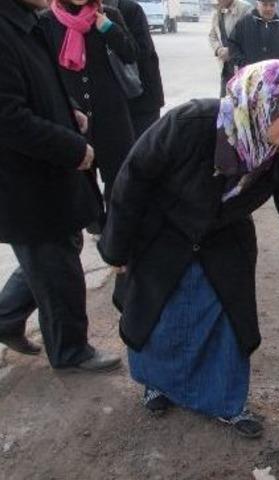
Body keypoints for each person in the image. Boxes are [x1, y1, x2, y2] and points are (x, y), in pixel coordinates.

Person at [97, 60, 279, 437]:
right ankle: (158, 384)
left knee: (224, 323)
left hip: (225, 240)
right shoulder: (189, 123)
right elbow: (132, 180)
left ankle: (225, 404)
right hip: (164, 234)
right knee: (160, 315)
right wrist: (117, 251)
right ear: (259, 104)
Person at [0, 0, 119, 372]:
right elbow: (9, 117)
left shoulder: (25, 22)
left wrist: (70, 112)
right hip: (26, 181)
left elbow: (39, 84)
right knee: (57, 264)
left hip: (44, 175)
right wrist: (72, 148)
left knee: (48, 256)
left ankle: (5, 318)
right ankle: (71, 351)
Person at [42, 0, 138, 231]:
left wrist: (108, 28)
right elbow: (44, 69)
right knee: (82, 180)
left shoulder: (108, 15)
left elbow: (131, 53)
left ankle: (116, 235)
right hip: (74, 115)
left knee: (119, 179)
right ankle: (96, 227)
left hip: (111, 114)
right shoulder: (48, 21)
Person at [110, 0, 165, 137]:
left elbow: (143, 51)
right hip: (112, 103)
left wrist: (112, 33)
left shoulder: (129, 9)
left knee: (144, 150)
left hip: (141, 100)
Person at [228, 0, 279, 69]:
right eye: (265, 5)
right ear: (258, 5)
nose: (268, 9)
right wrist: (242, 63)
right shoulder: (244, 23)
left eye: (272, 5)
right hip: (250, 75)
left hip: (273, 76)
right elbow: (233, 45)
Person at [209, 0, 253, 96]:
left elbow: (251, 36)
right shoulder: (217, 11)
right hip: (226, 67)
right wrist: (218, 49)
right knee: (224, 103)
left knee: (241, 102)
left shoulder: (245, 9)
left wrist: (231, 51)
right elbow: (212, 36)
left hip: (242, 66)